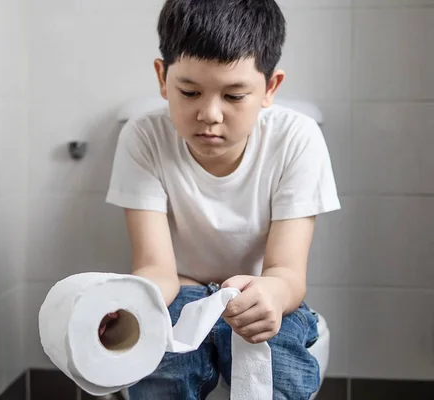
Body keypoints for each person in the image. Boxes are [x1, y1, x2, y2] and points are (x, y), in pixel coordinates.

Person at [101, 0, 341, 399]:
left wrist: (272, 295)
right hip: (181, 291)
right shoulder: (144, 137)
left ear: (270, 88)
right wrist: (126, 303)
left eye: (234, 96)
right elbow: (155, 268)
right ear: (162, 78)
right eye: (190, 91)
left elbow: (287, 273)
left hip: (261, 293)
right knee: (161, 374)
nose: (209, 114)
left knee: (278, 372)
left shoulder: (296, 138)